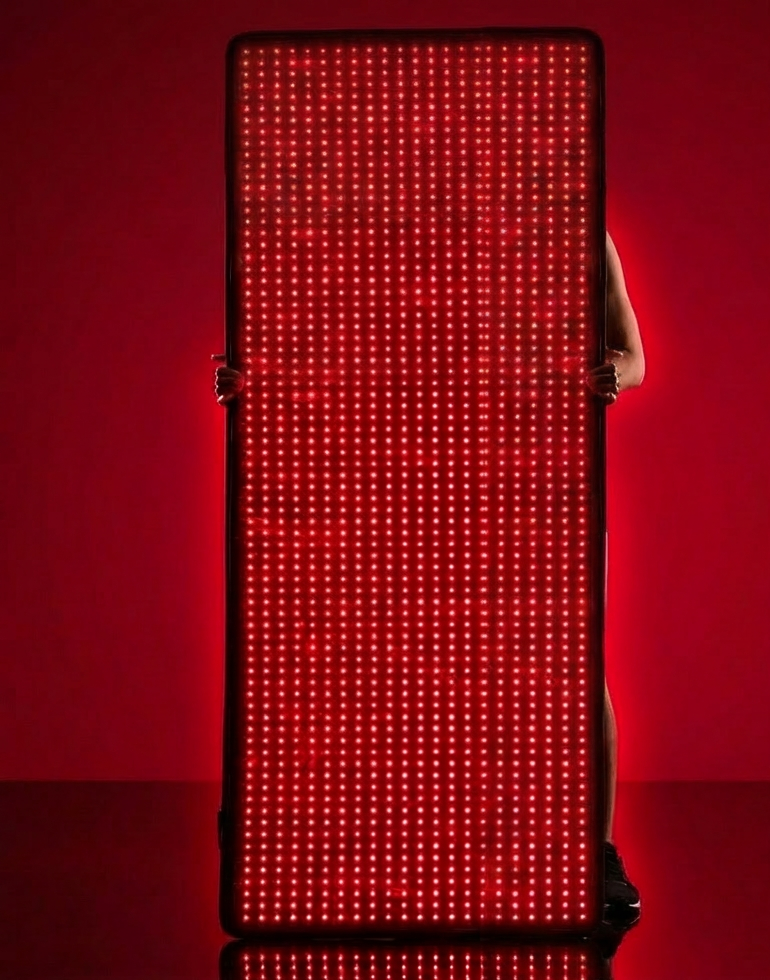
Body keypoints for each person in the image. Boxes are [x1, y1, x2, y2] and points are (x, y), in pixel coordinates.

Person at [214, 229, 646, 924]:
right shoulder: (420, 212)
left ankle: (595, 852)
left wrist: (608, 374)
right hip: (431, 470)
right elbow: (355, 345)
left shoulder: (580, 225)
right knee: (401, 661)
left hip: (543, 474)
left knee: (573, 665)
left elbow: (635, 357)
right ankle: (411, 851)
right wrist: (261, 381)